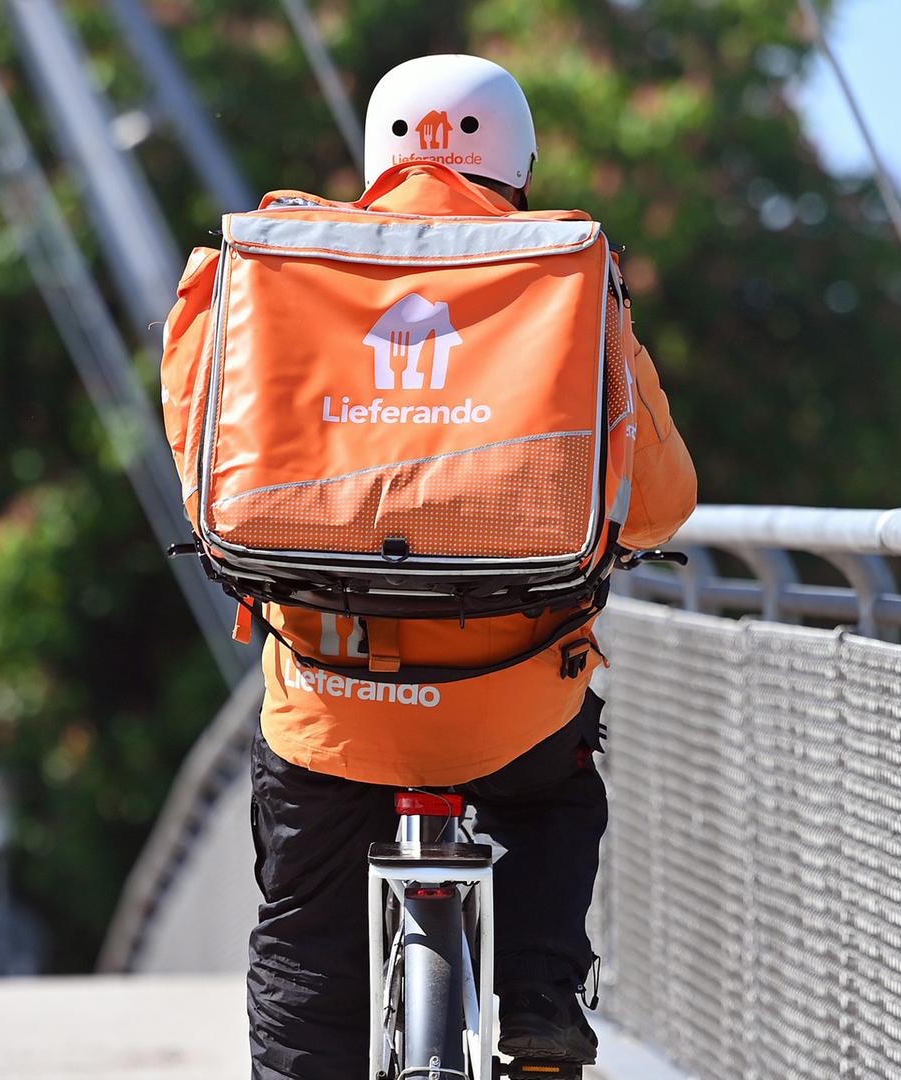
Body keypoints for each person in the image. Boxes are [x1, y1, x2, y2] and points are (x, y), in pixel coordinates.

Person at [244, 55, 698, 1076]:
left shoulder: (289, 266)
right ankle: (537, 1004)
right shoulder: (566, 276)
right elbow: (662, 502)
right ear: (520, 156)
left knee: (302, 924)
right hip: (512, 694)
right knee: (551, 796)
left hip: (330, 693)